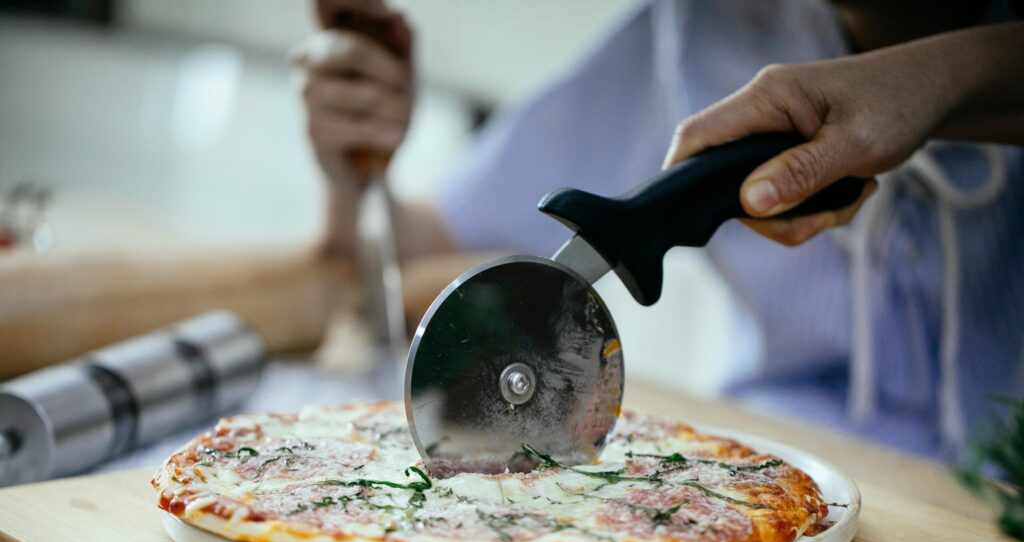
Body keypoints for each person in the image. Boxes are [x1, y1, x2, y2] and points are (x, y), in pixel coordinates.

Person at [291, 0, 1024, 460]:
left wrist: (949, 78)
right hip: (784, 462)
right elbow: (425, 253)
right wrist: (359, 165)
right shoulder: (698, 28)